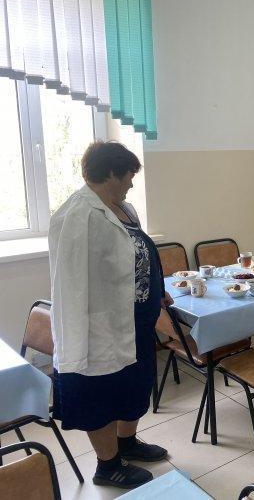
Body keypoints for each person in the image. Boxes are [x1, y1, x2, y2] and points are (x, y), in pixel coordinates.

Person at [49, 142, 171, 489]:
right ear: (112, 173)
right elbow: (71, 282)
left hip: (137, 322)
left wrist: (157, 289)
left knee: (133, 387)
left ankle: (127, 442)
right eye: (130, 175)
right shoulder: (78, 215)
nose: (132, 183)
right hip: (101, 327)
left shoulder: (122, 208)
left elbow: (137, 258)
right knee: (101, 394)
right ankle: (108, 465)